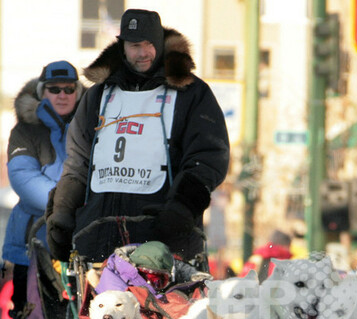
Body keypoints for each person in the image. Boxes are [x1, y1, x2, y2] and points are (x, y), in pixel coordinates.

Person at [46, 8, 230, 265]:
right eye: (134, 45)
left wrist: (182, 207)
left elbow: (207, 158)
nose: (142, 53)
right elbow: (79, 163)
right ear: (122, 47)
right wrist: (63, 212)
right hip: (98, 239)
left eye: (148, 44)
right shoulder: (98, 96)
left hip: (164, 243)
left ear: (159, 42)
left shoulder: (191, 94)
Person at [3, 60, 84, 319]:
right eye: (54, 89)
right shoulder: (26, 130)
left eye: (69, 89)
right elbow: (23, 177)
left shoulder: (92, 128)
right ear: (42, 91)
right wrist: (66, 204)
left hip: (81, 242)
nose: (62, 95)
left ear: (78, 92)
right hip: (34, 241)